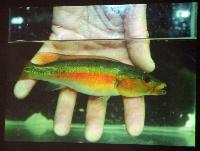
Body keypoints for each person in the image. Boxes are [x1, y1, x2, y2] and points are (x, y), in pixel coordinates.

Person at [14, 4, 155, 142]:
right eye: (146, 79)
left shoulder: (120, 80)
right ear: (125, 79)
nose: (149, 82)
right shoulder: (118, 78)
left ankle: (29, 70)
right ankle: (28, 70)